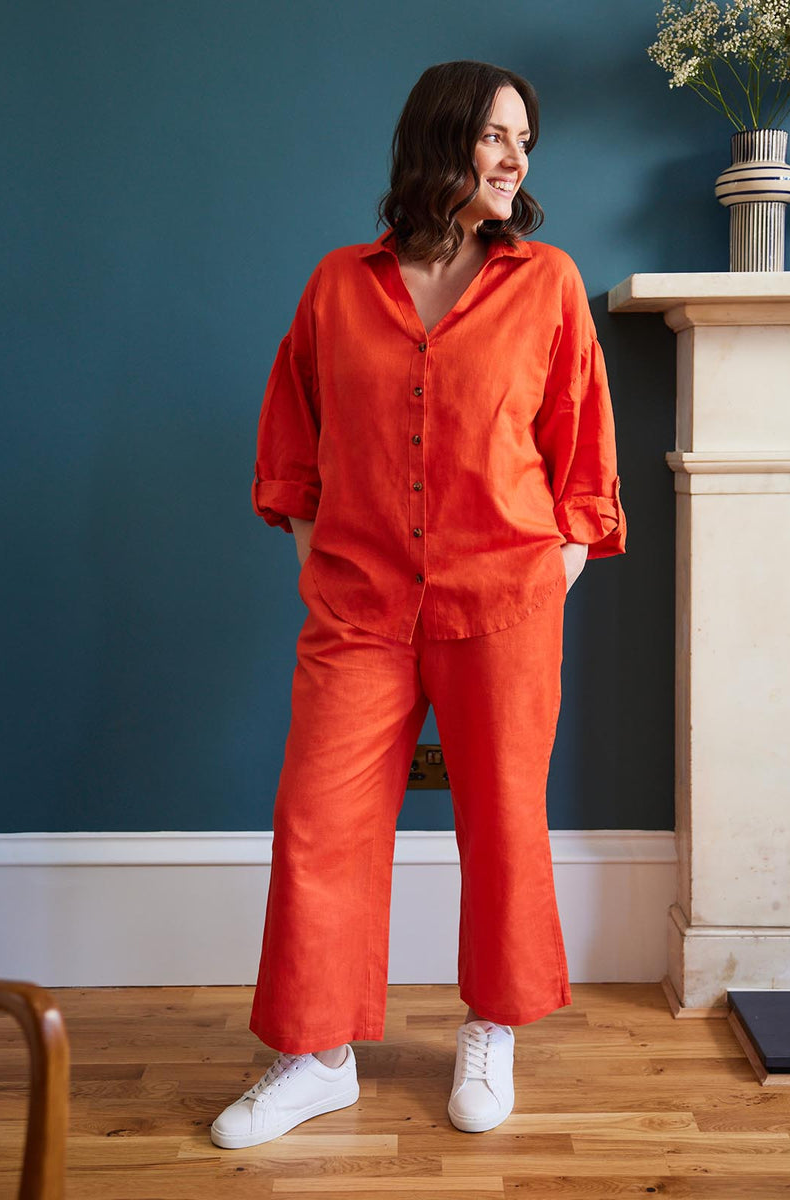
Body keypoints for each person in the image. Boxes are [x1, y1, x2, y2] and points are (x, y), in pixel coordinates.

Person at [211, 59, 627, 1150]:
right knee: (320, 821)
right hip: (359, 604)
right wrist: (318, 556)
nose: (515, 158)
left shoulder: (546, 283)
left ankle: (491, 1029)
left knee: (501, 820)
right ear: (440, 138)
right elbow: (292, 440)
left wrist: (550, 575)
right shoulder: (338, 286)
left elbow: (582, 459)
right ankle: (315, 1055)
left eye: (525, 143)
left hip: (506, 601)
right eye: (496, 135)